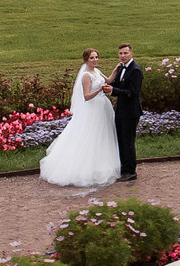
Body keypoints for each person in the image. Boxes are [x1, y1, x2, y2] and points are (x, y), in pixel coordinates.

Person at [38, 48, 120, 190]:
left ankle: (102, 165)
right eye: (92, 58)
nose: (95, 60)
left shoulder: (97, 71)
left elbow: (108, 80)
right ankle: (85, 168)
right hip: (93, 107)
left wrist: (116, 69)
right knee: (90, 135)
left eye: (96, 57)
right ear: (86, 60)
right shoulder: (86, 76)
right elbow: (87, 96)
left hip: (103, 107)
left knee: (103, 135)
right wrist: (100, 90)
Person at [111, 43, 144, 183]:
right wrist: (107, 86)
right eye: (120, 54)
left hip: (130, 112)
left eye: (125, 53)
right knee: (121, 140)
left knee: (128, 141)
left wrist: (112, 91)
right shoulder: (121, 68)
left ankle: (130, 171)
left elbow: (132, 93)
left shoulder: (135, 70)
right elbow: (118, 85)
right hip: (120, 111)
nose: (123, 56)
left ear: (131, 53)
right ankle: (124, 168)